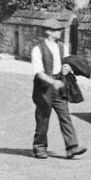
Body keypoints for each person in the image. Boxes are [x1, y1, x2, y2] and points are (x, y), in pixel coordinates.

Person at [31, 19, 86, 159]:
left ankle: (72, 147)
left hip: (60, 86)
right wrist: (52, 82)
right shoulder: (37, 49)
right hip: (44, 88)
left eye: (60, 30)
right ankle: (40, 147)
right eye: (57, 30)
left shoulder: (62, 47)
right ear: (48, 31)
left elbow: (68, 63)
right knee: (43, 118)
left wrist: (68, 68)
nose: (60, 32)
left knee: (65, 116)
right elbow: (39, 72)